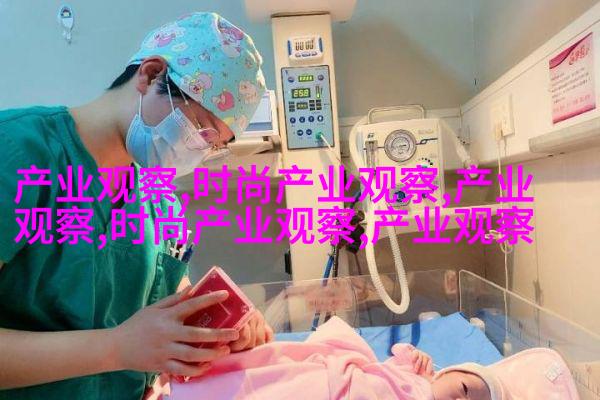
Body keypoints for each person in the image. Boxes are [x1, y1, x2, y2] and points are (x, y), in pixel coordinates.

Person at [0, 12, 272, 400]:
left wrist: (220, 325)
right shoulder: (17, 155)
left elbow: (163, 303)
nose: (197, 150)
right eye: (200, 128)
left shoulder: (158, 198)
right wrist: (116, 348)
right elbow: (129, 340)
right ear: (150, 74)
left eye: (213, 145)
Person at [165, 316, 580, 400]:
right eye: (464, 391)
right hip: (339, 384)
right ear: (448, 373)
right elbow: (393, 355)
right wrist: (416, 359)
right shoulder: (418, 376)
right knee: (281, 381)